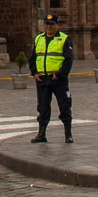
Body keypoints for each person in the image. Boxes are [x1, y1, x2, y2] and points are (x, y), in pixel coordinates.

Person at [28, 13, 74, 142]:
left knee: (64, 106)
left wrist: (59, 75)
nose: (49, 27)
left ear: (57, 25)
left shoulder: (64, 39)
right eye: (47, 24)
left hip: (58, 80)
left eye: (52, 24)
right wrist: (35, 73)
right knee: (42, 107)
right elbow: (32, 59)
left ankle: (68, 134)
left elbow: (68, 60)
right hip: (43, 79)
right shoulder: (39, 39)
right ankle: (41, 134)